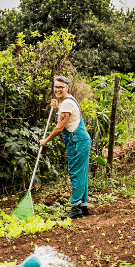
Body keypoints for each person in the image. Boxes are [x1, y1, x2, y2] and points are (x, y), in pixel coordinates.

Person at [39, 76, 91, 219]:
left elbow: (59, 128)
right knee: (82, 173)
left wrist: (45, 141)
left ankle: (76, 207)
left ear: (67, 88)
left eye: (61, 87)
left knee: (76, 173)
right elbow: (66, 117)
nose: (57, 90)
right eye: (55, 87)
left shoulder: (67, 104)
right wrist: (57, 108)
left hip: (77, 142)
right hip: (80, 140)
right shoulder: (68, 101)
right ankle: (83, 206)